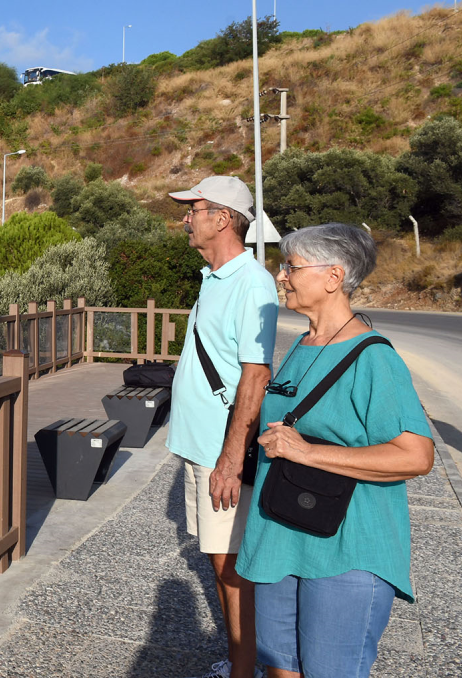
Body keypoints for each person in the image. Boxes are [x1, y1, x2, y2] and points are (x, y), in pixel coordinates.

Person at [236, 223, 434, 678]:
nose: (281, 276)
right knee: (280, 668)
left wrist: (308, 453)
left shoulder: (374, 357)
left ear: (333, 276)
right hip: (279, 536)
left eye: (291, 267)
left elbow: (415, 455)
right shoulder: (303, 345)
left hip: (347, 549)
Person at [167, 176, 278, 678]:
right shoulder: (214, 278)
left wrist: (231, 461)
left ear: (223, 218)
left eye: (195, 209)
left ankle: (243, 669)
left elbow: (255, 375)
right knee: (220, 560)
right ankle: (243, 660)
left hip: (220, 453)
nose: (186, 218)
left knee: (232, 569)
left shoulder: (250, 282)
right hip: (202, 447)